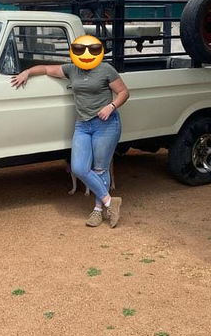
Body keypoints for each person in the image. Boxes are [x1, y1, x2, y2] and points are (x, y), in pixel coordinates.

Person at [11, 35, 130, 227]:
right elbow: (46, 68)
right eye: (80, 50)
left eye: (90, 50)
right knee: (79, 167)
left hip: (105, 124)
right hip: (83, 125)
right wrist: (27, 72)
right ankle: (110, 201)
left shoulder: (105, 69)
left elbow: (124, 92)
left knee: (100, 168)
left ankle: (98, 211)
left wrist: (111, 106)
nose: (85, 54)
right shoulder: (71, 69)